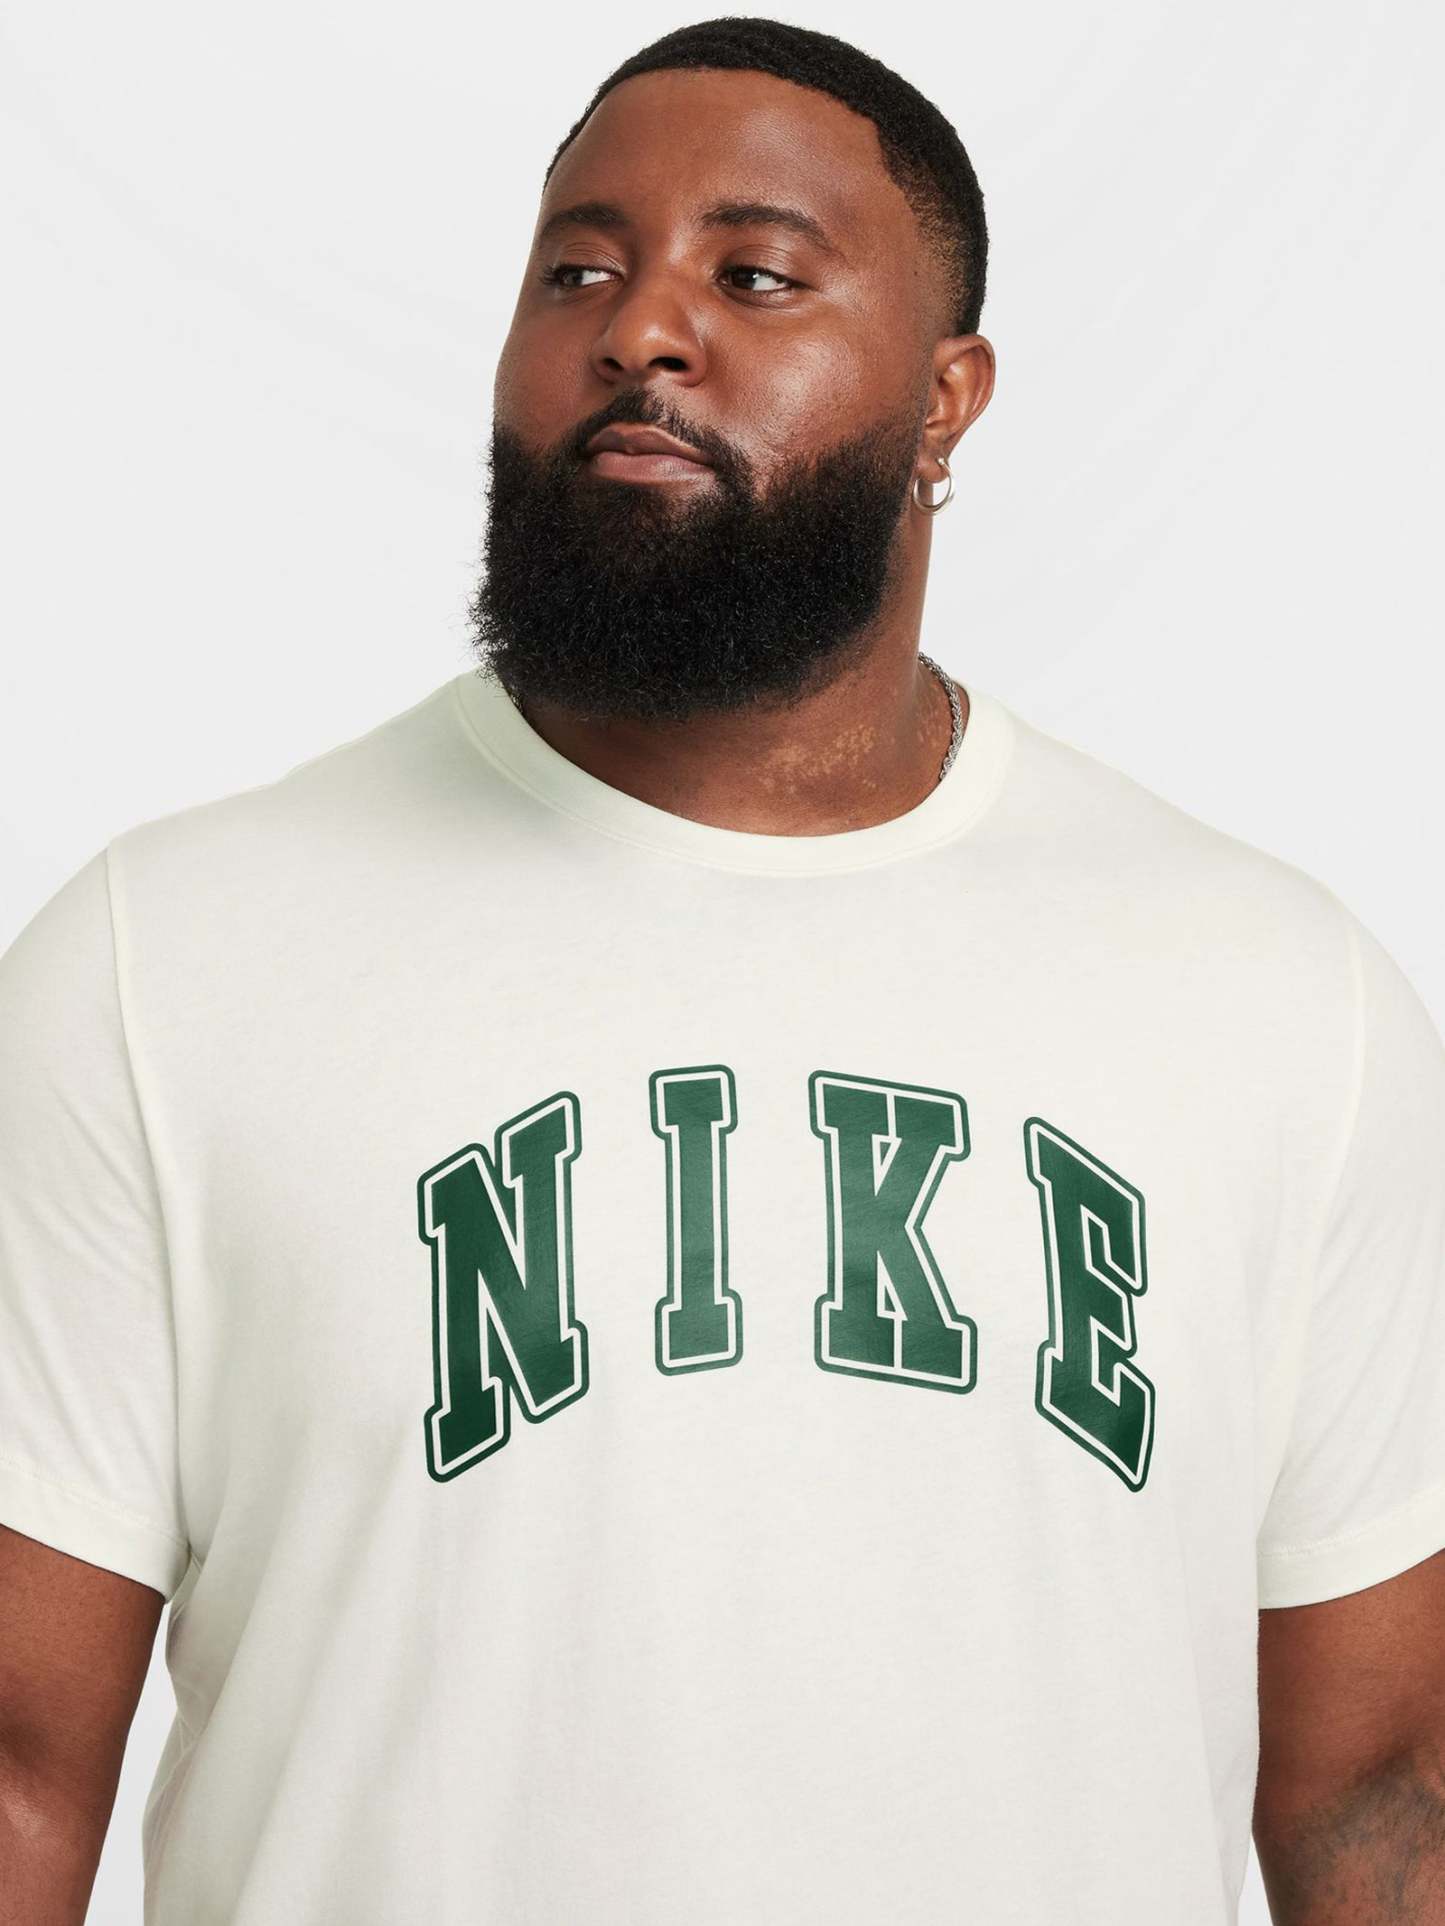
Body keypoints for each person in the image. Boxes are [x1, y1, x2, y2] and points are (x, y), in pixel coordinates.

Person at [1, 17, 1442, 1923]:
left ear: (946, 400)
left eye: (752, 275)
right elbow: (23, 1771)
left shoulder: (1277, 1000)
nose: (641, 331)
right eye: (577, 271)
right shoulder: (160, 960)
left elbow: (1371, 1797)